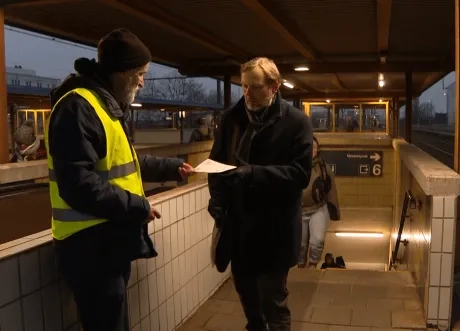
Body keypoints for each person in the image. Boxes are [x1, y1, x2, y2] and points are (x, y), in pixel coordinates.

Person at [45, 28, 193, 331]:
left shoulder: (105, 106)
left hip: (105, 243)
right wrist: (136, 206)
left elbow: (125, 164)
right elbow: (78, 183)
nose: (142, 81)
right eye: (140, 73)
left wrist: (172, 168)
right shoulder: (79, 107)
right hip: (88, 249)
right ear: (122, 72)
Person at [207, 57, 313, 331]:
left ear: (274, 86)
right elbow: (216, 165)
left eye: (254, 87)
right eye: (243, 86)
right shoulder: (231, 118)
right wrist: (217, 202)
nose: (247, 93)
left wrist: (253, 174)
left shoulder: (296, 123)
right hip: (238, 229)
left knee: (273, 304)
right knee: (249, 302)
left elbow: (300, 174)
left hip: (274, 231)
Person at [298, 135, 340, 269]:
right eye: (310, 148)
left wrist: (335, 212)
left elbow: (331, 190)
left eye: (315, 147)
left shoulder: (323, 168)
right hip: (299, 211)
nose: (312, 151)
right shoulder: (295, 166)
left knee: (317, 240)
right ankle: (300, 264)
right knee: (301, 244)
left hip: (318, 209)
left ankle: (312, 264)